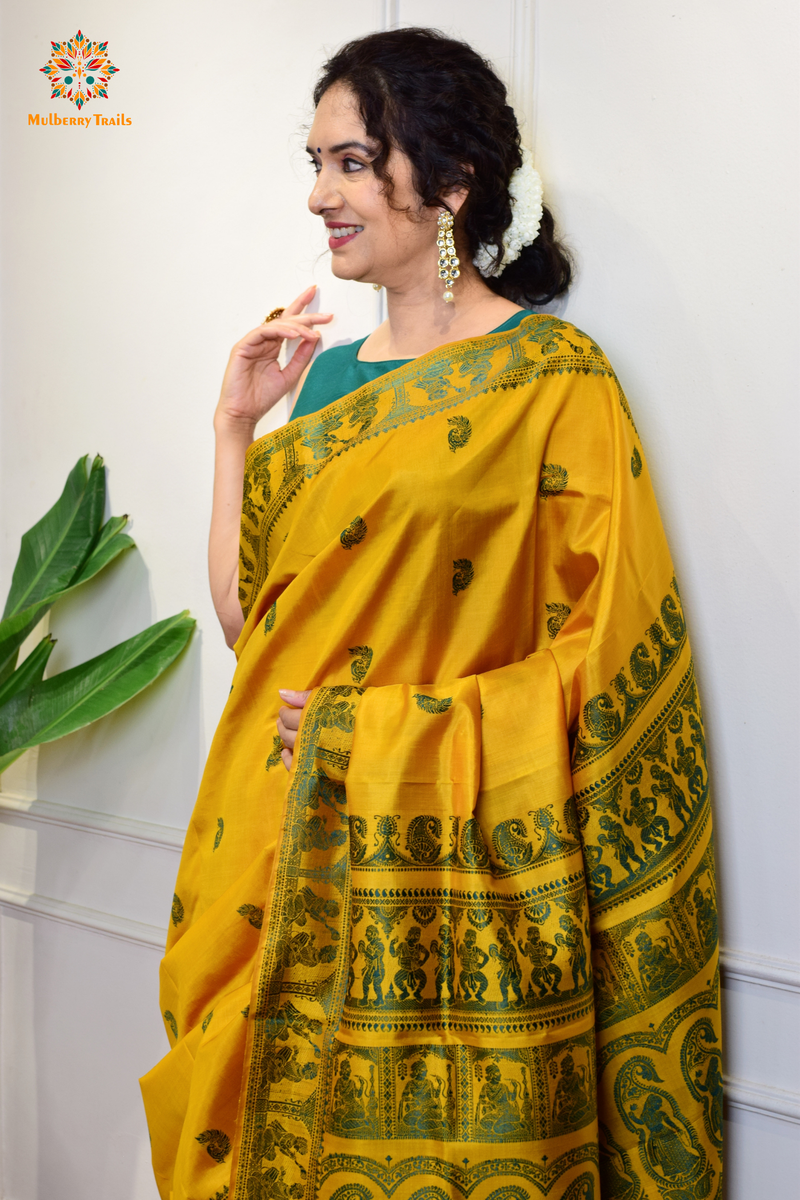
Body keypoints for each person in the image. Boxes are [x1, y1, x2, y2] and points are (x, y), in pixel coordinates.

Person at [140, 27, 721, 1200]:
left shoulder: (552, 379)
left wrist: (383, 737)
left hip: (451, 885)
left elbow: (604, 662)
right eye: (315, 163)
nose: (318, 196)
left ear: (449, 183)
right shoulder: (329, 391)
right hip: (283, 857)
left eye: (351, 163)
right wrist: (233, 430)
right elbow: (260, 635)